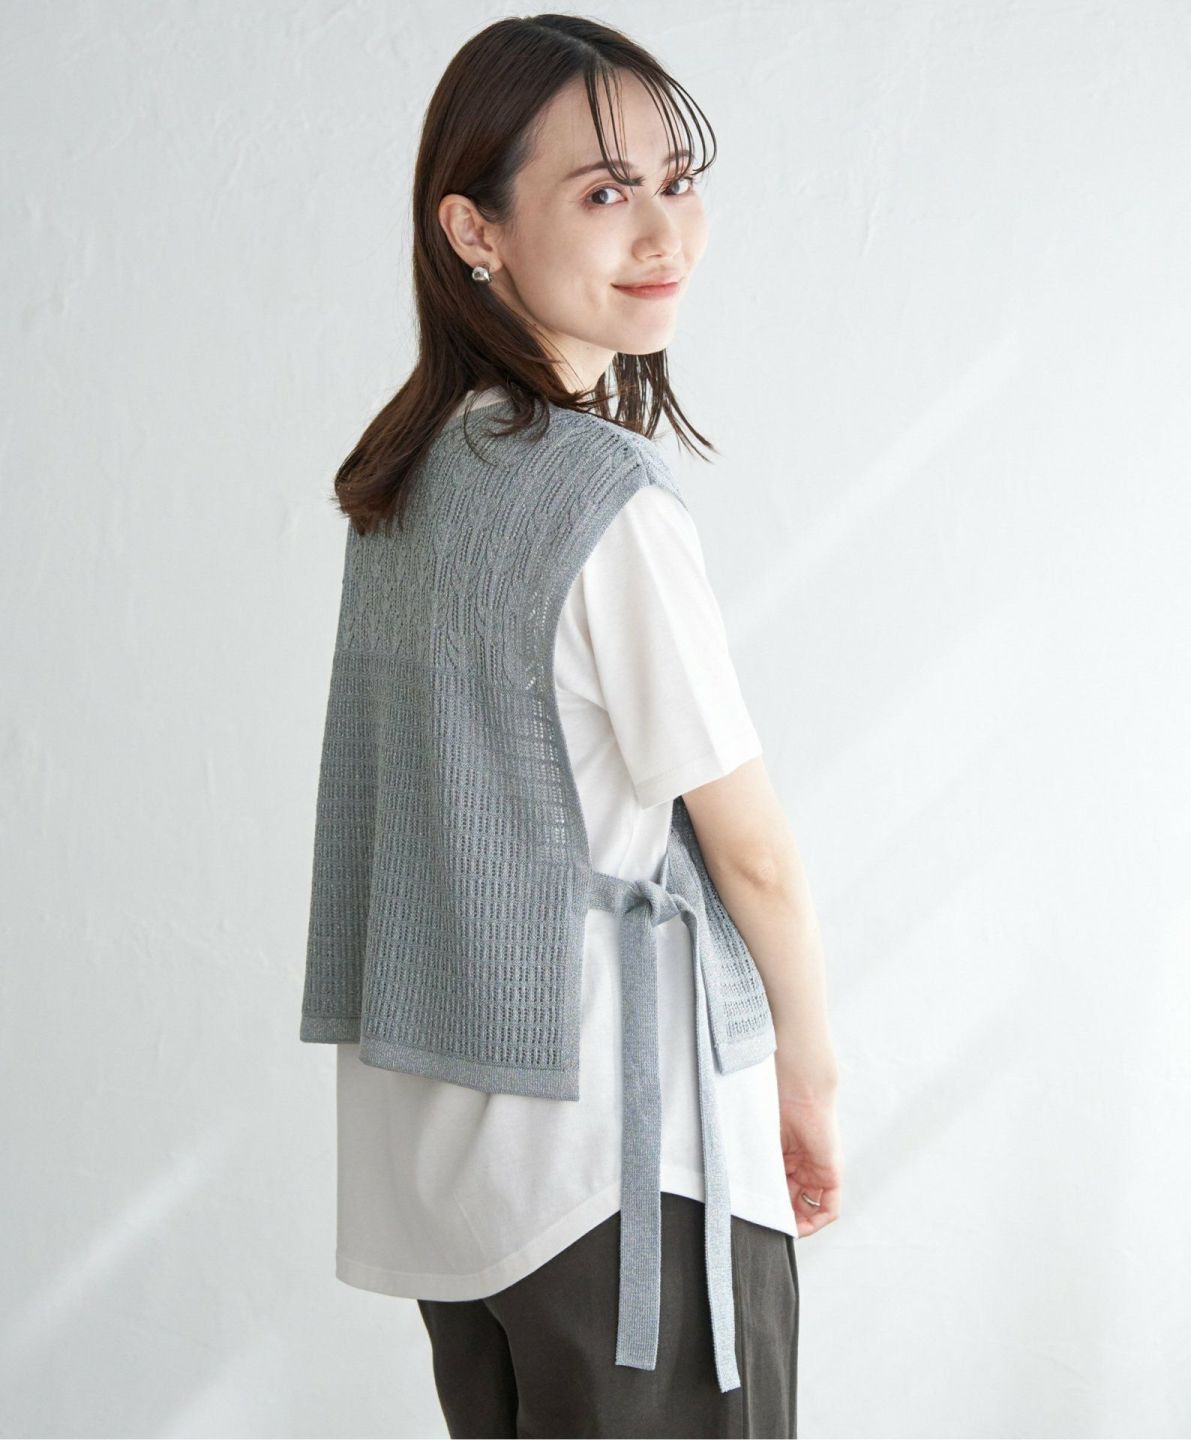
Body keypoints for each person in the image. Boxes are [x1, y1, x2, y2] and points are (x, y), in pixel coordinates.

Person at [299, 14, 841, 1439]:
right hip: (627, 1161)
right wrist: (809, 1072)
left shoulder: (406, 482)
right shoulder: (607, 502)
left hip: (453, 1165)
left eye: (677, 180)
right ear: (473, 230)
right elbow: (752, 852)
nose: (662, 231)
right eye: (604, 191)